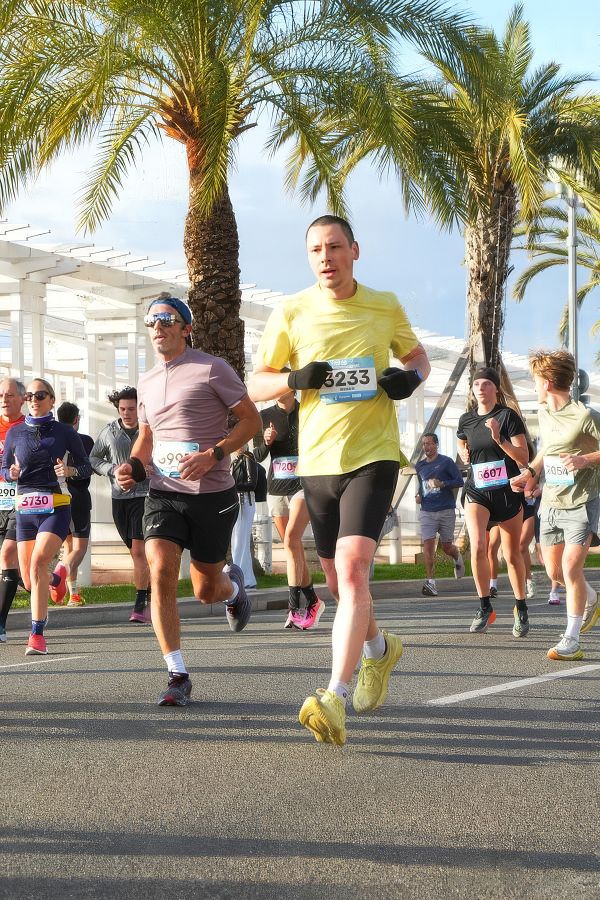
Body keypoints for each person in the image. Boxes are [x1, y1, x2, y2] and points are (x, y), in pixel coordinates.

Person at [249, 214, 431, 745]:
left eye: (334, 247)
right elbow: (255, 382)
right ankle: (379, 650)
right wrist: (293, 378)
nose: (325, 257)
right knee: (336, 582)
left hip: (374, 456)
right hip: (317, 463)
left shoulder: (383, 304)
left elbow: (417, 357)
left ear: (355, 250)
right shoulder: (291, 310)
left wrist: (409, 378)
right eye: (315, 250)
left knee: (352, 573)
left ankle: (334, 694)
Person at [115, 295, 261, 707]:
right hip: (164, 493)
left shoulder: (212, 368)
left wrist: (214, 454)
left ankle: (232, 591)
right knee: (160, 568)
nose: (157, 326)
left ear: (186, 328)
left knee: (204, 590)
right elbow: (147, 436)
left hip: (212, 494)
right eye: (151, 321)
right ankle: (177, 673)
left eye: (167, 319)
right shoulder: (145, 381)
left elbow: (252, 420)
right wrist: (133, 466)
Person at [511, 350, 600, 661]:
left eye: (536, 381)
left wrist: (584, 459)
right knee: (553, 570)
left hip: (581, 502)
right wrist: (529, 473)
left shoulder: (585, 416)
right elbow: (547, 451)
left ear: (547, 383)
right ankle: (591, 598)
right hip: (550, 501)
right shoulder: (545, 413)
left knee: (570, 568)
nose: (534, 387)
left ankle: (571, 639)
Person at [1, 378, 91, 655]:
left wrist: (70, 471)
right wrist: (11, 474)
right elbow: (5, 469)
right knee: (29, 580)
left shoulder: (64, 432)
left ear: (52, 399)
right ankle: (54, 579)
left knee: (39, 561)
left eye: (40, 395)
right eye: (30, 395)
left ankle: (37, 634)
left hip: (55, 506)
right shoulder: (16, 433)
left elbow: (86, 467)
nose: (34, 399)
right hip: (25, 509)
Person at [456, 367, 530, 638]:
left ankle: (521, 607)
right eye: (477, 384)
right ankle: (484, 606)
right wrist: (462, 451)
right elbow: (462, 442)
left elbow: (523, 458)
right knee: (478, 546)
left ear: (496, 389)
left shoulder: (507, 417)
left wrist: (499, 439)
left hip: (507, 491)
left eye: (486, 384)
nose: (481, 388)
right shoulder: (466, 419)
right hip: (478, 491)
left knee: (511, 555)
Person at [253, 381, 325, 629]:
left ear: (293, 387)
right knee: (291, 547)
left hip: (303, 486)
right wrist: (267, 441)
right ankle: (314, 600)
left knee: (292, 540)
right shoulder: (264, 416)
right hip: (276, 489)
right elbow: (258, 456)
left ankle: (294, 606)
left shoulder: (307, 410)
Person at [90, 386, 151, 623]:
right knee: (136, 552)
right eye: (123, 409)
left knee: (138, 551)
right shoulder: (109, 432)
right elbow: (94, 459)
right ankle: (151, 591)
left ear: (140, 409)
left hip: (145, 496)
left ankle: (139, 604)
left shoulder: (149, 431)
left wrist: (151, 470)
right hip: (119, 499)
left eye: (132, 409)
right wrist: (112, 470)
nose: (127, 413)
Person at [415, 432, 464, 596]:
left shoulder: (446, 462)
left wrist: (442, 483)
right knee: (428, 547)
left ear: (436, 445)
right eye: (424, 444)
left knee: (447, 547)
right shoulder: (420, 466)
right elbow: (421, 486)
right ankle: (431, 583)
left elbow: (459, 481)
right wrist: (418, 495)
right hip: (427, 511)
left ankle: (457, 557)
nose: (426, 447)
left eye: (429, 443)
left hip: (446, 510)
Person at [56, 401, 95, 606]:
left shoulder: (53, 440)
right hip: (78, 496)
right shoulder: (85, 441)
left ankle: (73, 594)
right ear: (76, 420)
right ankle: (60, 573)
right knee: (79, 548)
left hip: (57, 497)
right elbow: (91, 468)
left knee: (67, 546)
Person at [0, 378, 26, 642]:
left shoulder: (29, 427)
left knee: (7, 553)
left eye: (9, 395)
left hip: (21, 501)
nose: (5, 399)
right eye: (1, 395)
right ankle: (46, 579)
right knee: (17, 569)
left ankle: (1, 623)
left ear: (22, 398)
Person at [230, 446, 258, 589]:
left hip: (245, 501)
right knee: (237, 540)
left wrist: (232, 486)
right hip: (236, 501)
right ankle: (246, 577)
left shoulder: (248, 458)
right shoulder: (233, 461)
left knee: (240, 541)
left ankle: (240, 576)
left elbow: (252, 483)